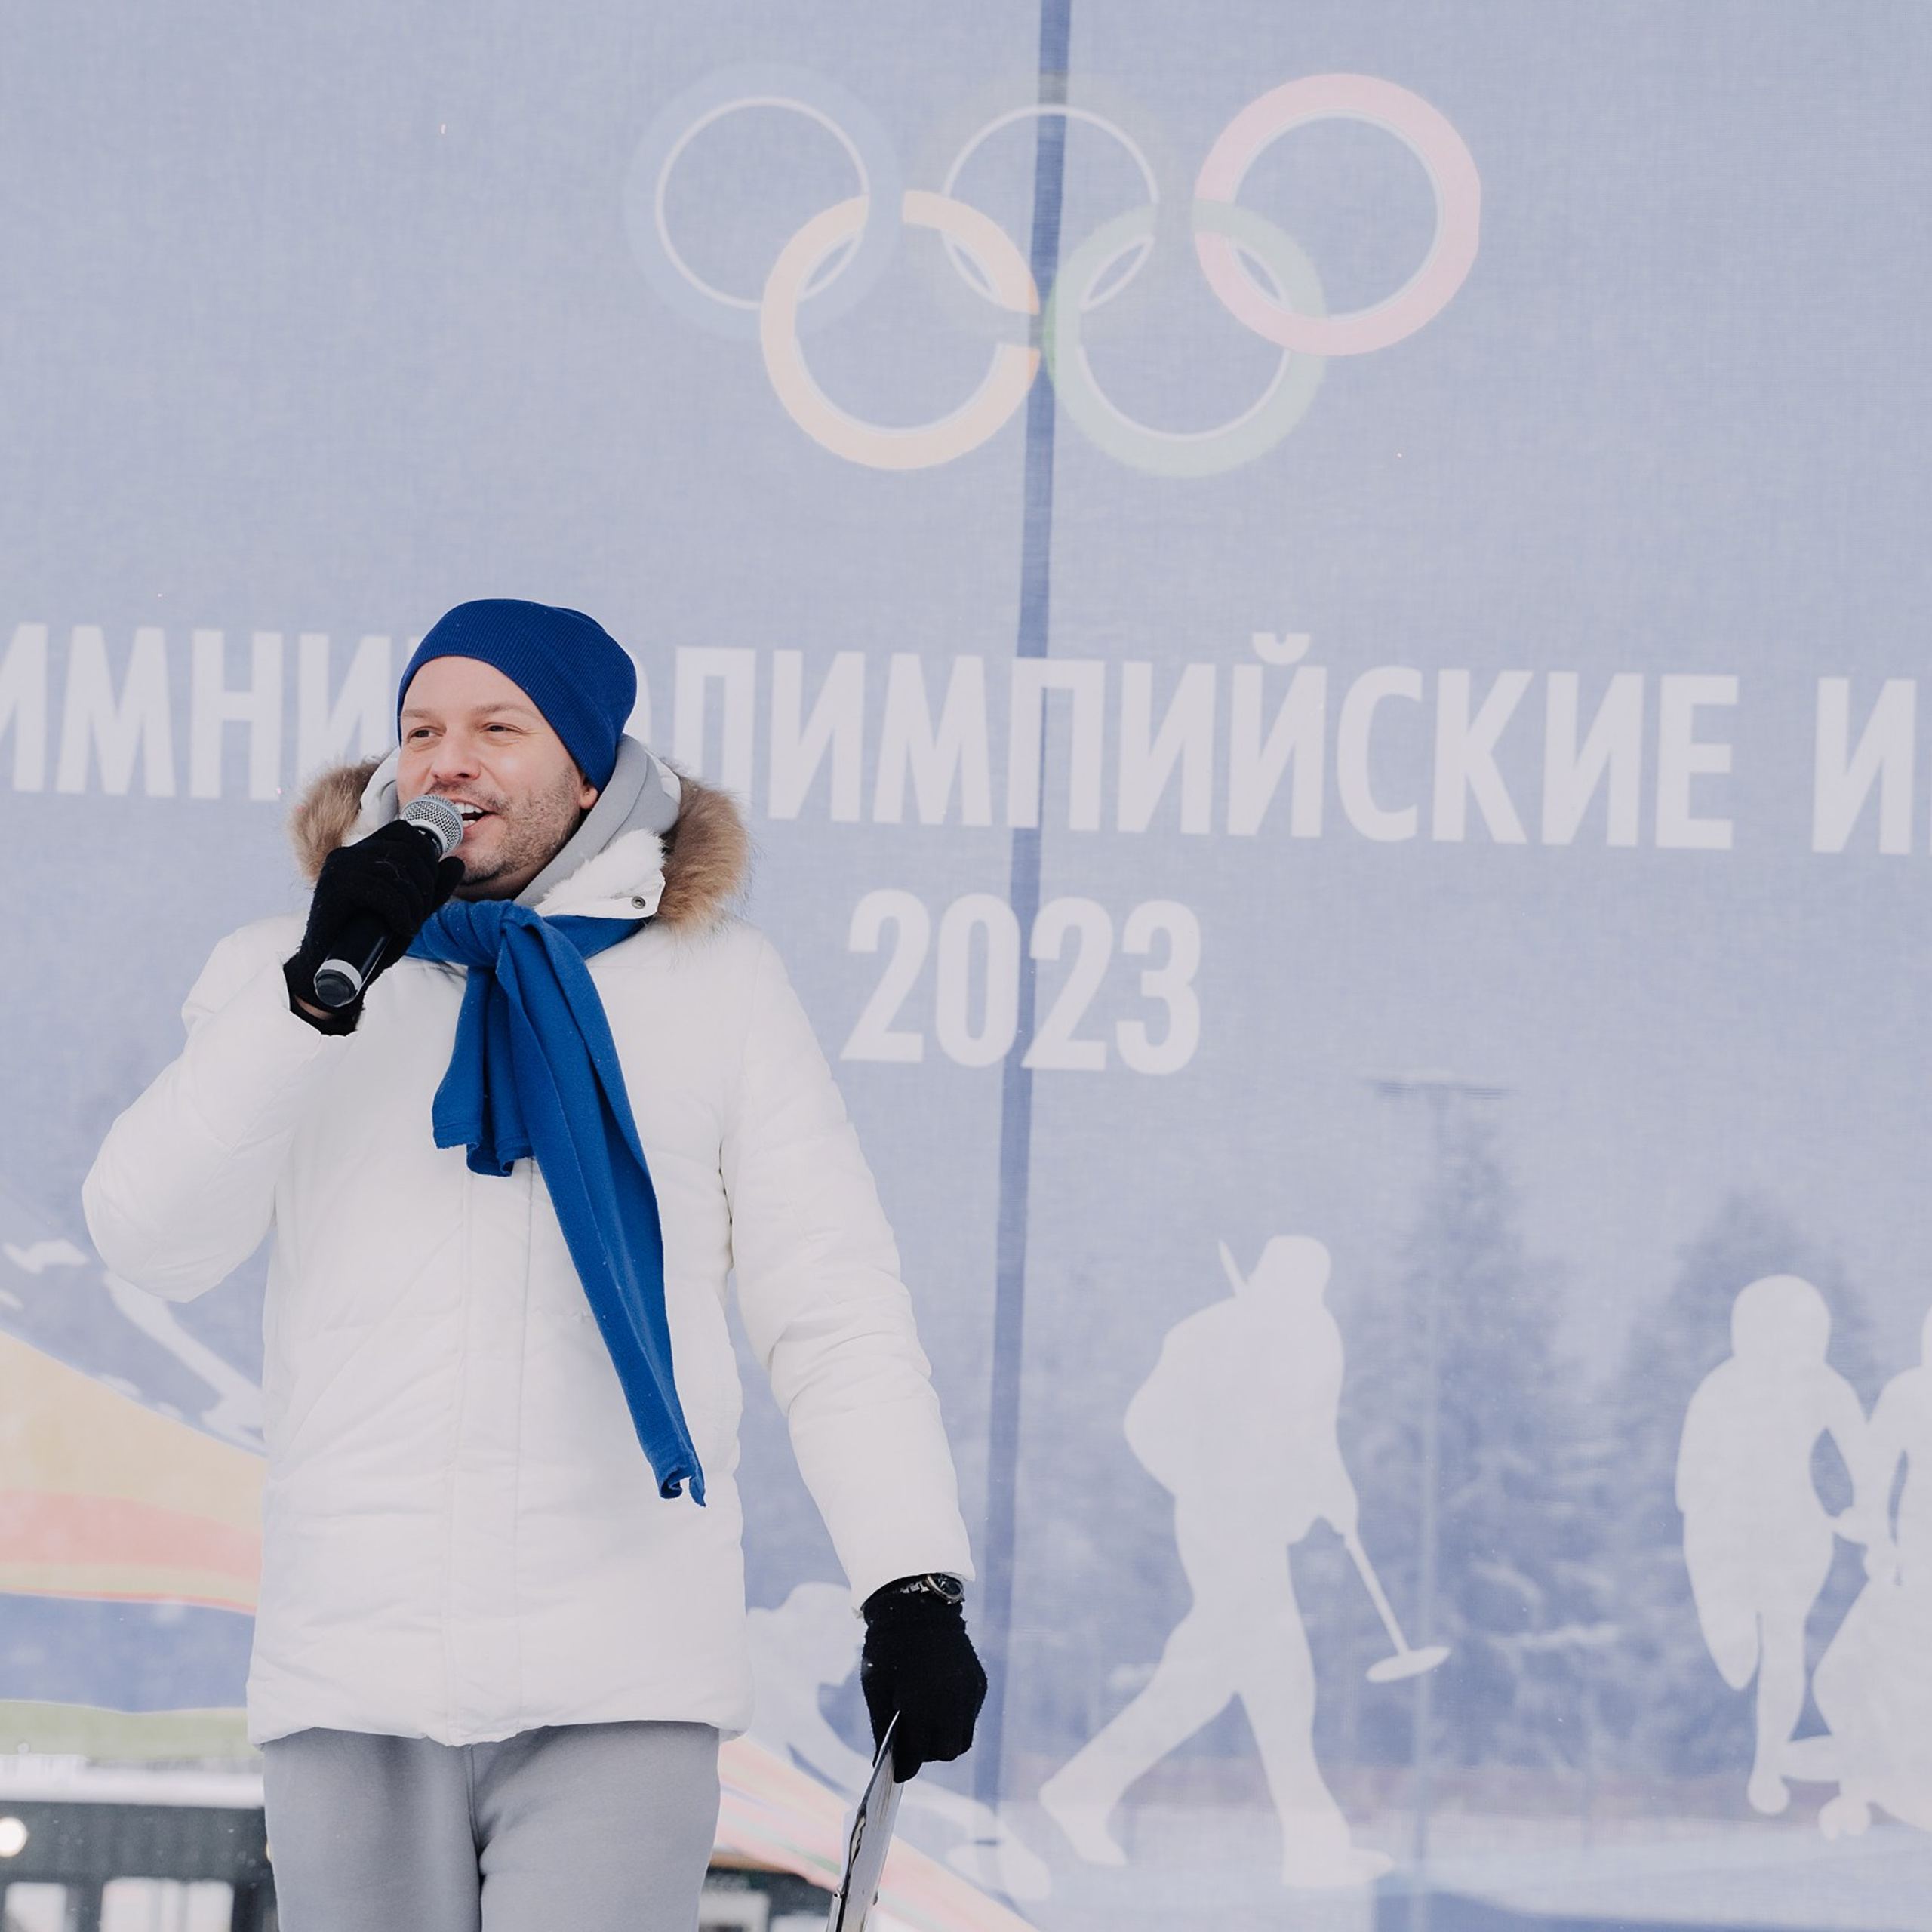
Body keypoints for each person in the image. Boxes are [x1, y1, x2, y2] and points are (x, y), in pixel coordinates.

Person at [83, 599, 986, 1932]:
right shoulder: (283, 975)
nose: (449, 760)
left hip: (619, 1668)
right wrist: (316, 988)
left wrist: (909, 1582)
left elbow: (835, 1314)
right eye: (422, 729)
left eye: (497, 728)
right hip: (354, 1672)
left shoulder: (718, 988)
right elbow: (148, 1238)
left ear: (587, 771)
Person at [1038, 1235, 1389, 1889]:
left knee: (1207, 1681)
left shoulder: (1315, 1338)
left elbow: (1315, 1433)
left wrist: (1332, 1493)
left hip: (1263, 1526)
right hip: (1219, 1525)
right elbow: (1147, 1424)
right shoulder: (1208, 1336)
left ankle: (1083, 1789)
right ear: (1265, 1278)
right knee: (1282, 1680)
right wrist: (1206, 1481)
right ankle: (1313, 1850)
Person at [1675, 1273, 1867, 1817]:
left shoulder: (1743, 1384)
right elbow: (1865, 1465)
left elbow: (1688, 1478)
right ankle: (1766, 1759)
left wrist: (1864, 1512)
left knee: (1775, 1640)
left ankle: (1765, 1760)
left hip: (1776, 1532)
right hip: (1760, 1530)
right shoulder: (1767, 1385)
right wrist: (1864, 1512)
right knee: (1773, 1642)